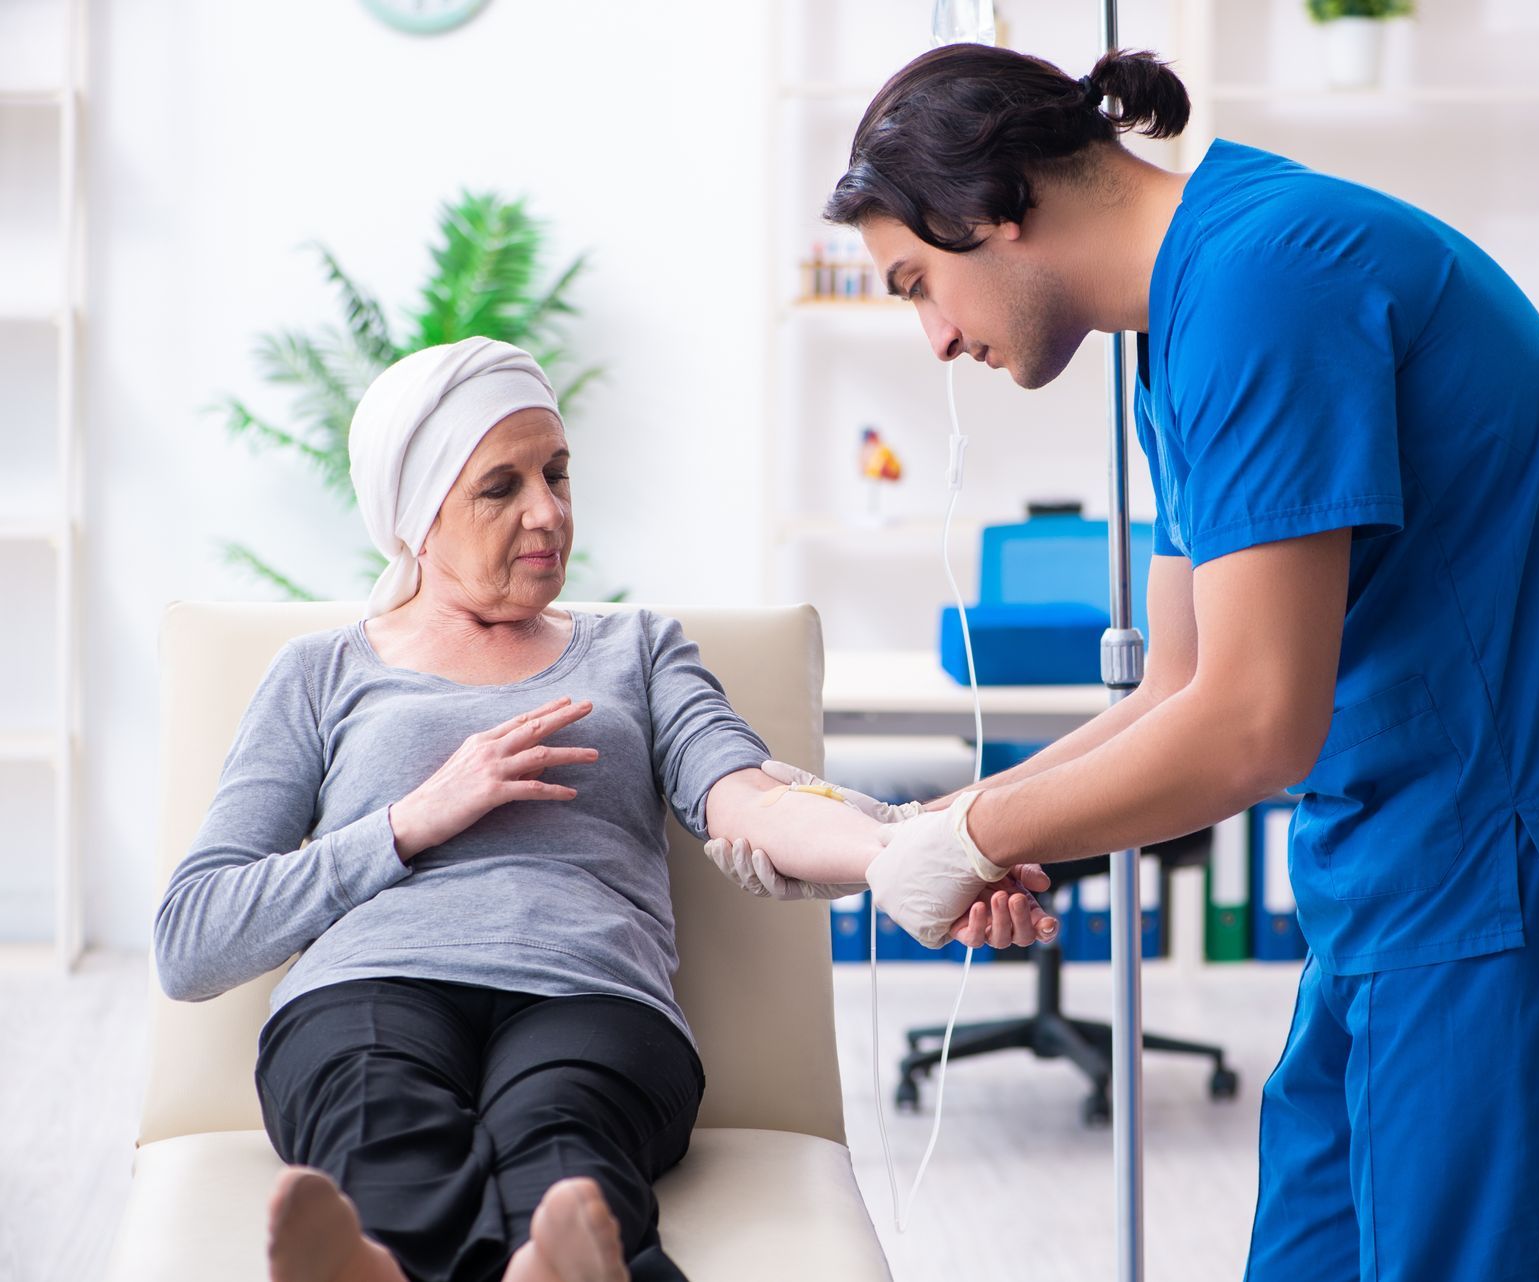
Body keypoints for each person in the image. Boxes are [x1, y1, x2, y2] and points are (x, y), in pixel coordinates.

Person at [747, 43, 1539, 1282]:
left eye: (920, 283)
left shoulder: (1264, 287)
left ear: (992, 207)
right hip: (1399, 858)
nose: (937, 338)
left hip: (1509, 856)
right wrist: (945, 824)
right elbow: (1177, 683)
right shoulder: (1186, 321)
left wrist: (971, 836)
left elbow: (1251, 726)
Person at [153, 337, 1052, 1282]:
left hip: (590, 990)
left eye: (557, 473)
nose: (548, 510)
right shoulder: (319, 672)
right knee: (381, 1131)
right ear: (418, 517)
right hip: (368, 985)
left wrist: (902, 854)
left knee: (565, 1152)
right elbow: (192, 937)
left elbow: (747, 801)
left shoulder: (638, 649)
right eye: (500, 487)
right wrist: (410, 821)